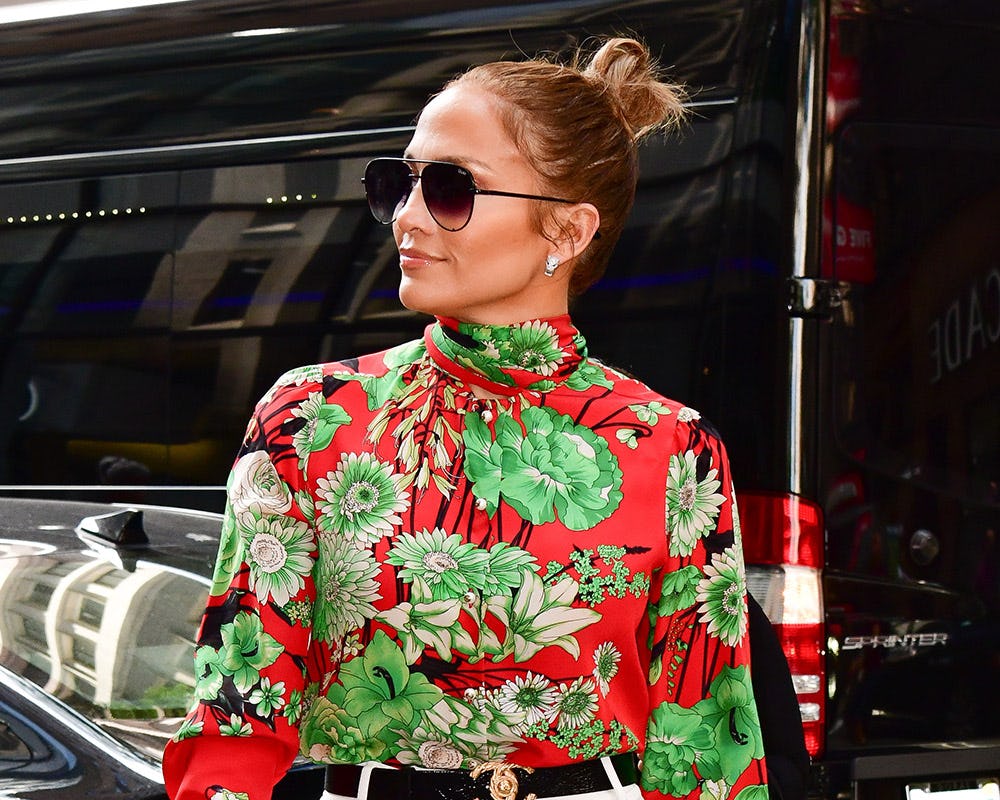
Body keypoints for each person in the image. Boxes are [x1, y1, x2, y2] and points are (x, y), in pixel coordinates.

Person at [163, 37, 771, 800]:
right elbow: (238, 699)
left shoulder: (672, 445)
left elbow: (707, 735)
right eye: (399, 183)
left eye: (451, 188)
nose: (407, 218)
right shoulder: (312, 414)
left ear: (568, 230)